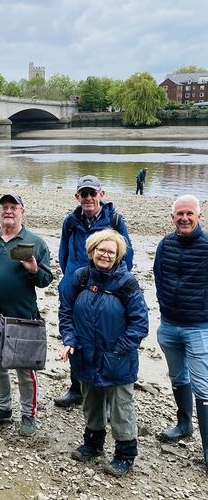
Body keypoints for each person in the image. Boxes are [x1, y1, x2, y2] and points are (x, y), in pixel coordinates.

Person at [59, 229, 148, 476]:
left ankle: (125, 454)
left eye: (111, 251)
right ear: (92, 251)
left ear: (118, 255)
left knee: (122, 407)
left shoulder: (126, 282)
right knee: (91, 401)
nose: (105, 255)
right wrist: (69, 339)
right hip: (85, 354)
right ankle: (93, 444)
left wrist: (118, 351)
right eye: (101, 250)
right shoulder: (80, 277)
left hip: (118, 358)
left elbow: (140, 323)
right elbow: (65, 312)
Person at [0, 194, 52, 436]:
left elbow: (46, 280)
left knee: (25, 370)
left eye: (13, 207)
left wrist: (35, 270)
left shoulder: (35, 242)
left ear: (22, 211)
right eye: (4, 207)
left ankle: (28, 414)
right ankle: (3, 408)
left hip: (23, 316)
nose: (8, 211)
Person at [55, 175, 134, 407]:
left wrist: (115, 287)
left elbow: (126, 257)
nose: (88, 198)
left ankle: (106, 394)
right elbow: (63, 254)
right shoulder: (70, 221)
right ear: (77, 196)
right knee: (76, 338)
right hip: (76, 286)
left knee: (103, 338)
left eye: (93, 193)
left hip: (105, 289)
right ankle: (76, 387)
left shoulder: (116, 220)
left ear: (102, 194)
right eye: (84, 194)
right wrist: (71, 280)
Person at [154, 195, 208, 470]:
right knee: (178, 376)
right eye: (180, 214)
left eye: (190, 213)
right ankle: (184, 423)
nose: (184, 218)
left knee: (204, 386)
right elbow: (157, 276)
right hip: (169, 324)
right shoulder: (165, 244)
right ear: (172, 216)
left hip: (199, 327)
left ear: (199, 216)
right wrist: (164, 305)